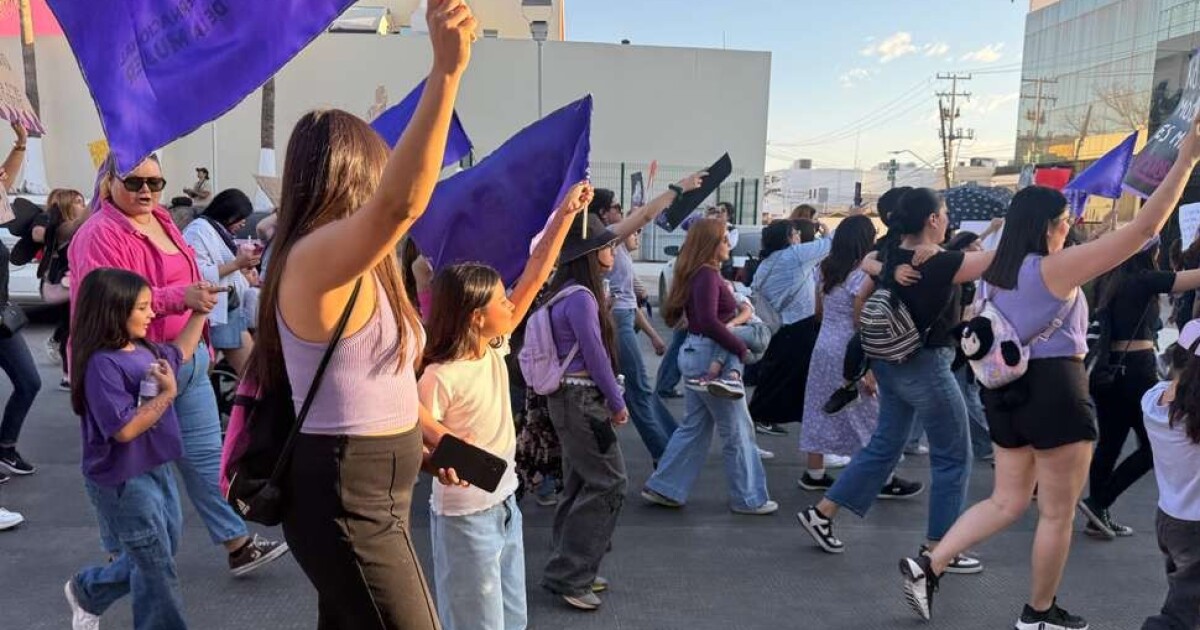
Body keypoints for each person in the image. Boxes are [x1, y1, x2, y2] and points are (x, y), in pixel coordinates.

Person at [898, 115, 1200, 630]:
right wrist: (1187, 155)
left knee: (1005, 499)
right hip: (1057, 392)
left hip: (1003, 392)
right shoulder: (1055, 269)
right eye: (1065, 223)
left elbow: (930, 260)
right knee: (1056, 513)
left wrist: (918, 252)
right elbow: (1144, 229)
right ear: (1049, 226)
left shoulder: (990, 267)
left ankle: (930, 562)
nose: (1070, 230)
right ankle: (1039, 613)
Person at [250, 3, 476, 626]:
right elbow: (400, 204)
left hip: (372, 489)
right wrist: (447, 73)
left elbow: (377, 381)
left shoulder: (356, 269)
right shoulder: (310, 261)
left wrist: (428, 435)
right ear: (359, 173)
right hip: (347, 497)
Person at [69, 156, 287, 576]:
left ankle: (237, 544)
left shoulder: (164, 220)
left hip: (181, 358)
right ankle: (119, 560)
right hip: (128, 370)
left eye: (155, 181)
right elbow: (112, 300)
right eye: (133, 181)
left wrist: (201, 323)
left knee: (207, 457)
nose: (146, 190)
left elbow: (188, 276)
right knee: (128, 466)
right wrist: (181, 298)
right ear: (108, 182)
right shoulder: (98, 234)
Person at [417, 182, 590, 630]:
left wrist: (565, 214)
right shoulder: (440, 375)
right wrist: (437, 449)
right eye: (499, 299)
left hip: (503, 503)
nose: (509, 302)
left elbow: (535, 271)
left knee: (511, 619)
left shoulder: (494, 346)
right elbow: (407, 425)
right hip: (465, 517)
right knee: (479, 623)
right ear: (477, 316)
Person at [799, 188, 987, 569]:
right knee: (953, 456)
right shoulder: (939, 261)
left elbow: (865, 293)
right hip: (926, 364)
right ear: (933, 219)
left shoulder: (886, 255)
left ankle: (824, 511)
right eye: (945, 213)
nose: (949, 218)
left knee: (885, 444)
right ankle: (940, 548)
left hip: (888, 360)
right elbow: (1001, 261)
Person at [64, 268, 211, 630]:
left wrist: (201, 311)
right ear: (115, 311)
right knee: (156, 566)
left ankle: (89, 591)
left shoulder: (142, 348)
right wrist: (168, 394)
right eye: (143, 308)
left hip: (156, 467)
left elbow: (180, 352)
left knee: (158, 552)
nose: (151, 314)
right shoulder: (102, 364)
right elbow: (125, 429)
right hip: (123, 479)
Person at [642, 218, 777, 515]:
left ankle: (665, 486)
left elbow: (702, 320)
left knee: (695, 427)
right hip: (706, 353)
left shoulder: (698, 274)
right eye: (725, 240)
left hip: (696, 353)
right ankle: (749, 498)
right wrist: (739, 348)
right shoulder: (706, 275)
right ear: (711, 244)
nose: (729, 244)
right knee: (738, 431)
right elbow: (708, 321)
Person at [1080, 236, 1200, 539]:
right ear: (1150, 252)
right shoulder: (1143, 279)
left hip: (1107, 371)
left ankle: (1098, 513)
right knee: (1149, 447)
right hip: (1137, 369)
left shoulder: (1108, 280)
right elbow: (1189, 278)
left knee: (1109, 443)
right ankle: (1100, 501)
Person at [539, 213, 628, 611]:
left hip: (569, 399)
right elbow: (595, 355)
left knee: (580, 482)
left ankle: (573, 567)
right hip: (583, 400)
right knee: (609, 482)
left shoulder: (568, 292)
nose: (614, 250)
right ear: (591, 253)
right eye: (608, 245)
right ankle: (572, 575)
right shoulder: (580, 297)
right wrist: (617, 402)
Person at [593, 176, 706, 464]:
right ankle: (665, 455)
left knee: (640, 388)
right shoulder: (606, 236)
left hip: (622, 317)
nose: (623, 213)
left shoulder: (614, 248)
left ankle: (672, 447)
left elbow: (629, 303)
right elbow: (642, 214)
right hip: (617, 319)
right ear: (605, 213)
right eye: (617, 207)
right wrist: (678, 189)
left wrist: (654, 336)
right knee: (639, 390)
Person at [797, 215, 884, 490]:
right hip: (852, 349)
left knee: (819, 406)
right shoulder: (864, 273)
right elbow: (861, 319)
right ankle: (882, 477)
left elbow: (818, 311)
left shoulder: (826, 268)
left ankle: (815, 473)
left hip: (823, 346)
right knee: (868, 411)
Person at [1140, 324, 1200, 630]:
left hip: (1170, 520)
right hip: (1195, 528)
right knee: (1179, 617)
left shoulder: (1152, 402)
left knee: (1185, 600)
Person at [747, 219, 830, 435]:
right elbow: (832, 243)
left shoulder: (767, 262)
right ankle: (757, 415)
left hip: (777, 325)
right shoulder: (795, 255)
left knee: (775, 372)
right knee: (788, 375)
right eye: (794, 233)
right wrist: (825, 229)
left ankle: (762, 416)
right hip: (797, 325)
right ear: (787, 238)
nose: (798, 236)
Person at [0, 121, 42, 481]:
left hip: (3, 319)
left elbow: (4, 180)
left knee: (29, 382)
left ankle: (5, 448)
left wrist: (22, 141)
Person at [182, 189, 261, 375]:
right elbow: (198, 273)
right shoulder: (198, 231)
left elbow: (222, 268)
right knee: (202, 376)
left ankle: (242, 401)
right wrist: (237, 264)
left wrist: (242, 270)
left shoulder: (217, 231)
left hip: (227, 310)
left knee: (250, 373)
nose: (243, 223)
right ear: (228, 214)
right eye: (240, 218)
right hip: (212, 313)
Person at [37, 188, 87, 391]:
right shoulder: (62, 229)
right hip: (64, 286)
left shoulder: (74, 230)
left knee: (71, 328)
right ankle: (69, 375)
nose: (82, 206)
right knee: (70, 330)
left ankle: (69, 367)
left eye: (83, 201)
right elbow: (80, 222)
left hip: (72, 285)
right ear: (66, 207)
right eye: (78, 202)